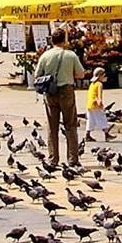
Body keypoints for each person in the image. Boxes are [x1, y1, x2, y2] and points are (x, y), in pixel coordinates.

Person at [34, 28, 86, 166]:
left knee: (52, 127)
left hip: (50, 92)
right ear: (65, 40)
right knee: (70, 125)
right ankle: (72, 159)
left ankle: (53, 159)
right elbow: (81, 74)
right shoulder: (71, 55)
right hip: (66, 91)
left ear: (52, 40)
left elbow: (37, 75)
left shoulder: (45, 56)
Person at [84, 66, 112, 142]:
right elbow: (99, 95)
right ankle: (107, 134)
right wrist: (100, 102)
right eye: (103, 75)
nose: (104, 77)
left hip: (89, 104)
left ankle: (87, 135)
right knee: (102, 118)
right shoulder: (99, 84)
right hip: (96, 105)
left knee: (90, 120)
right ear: (100, 76)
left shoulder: (92, 84)